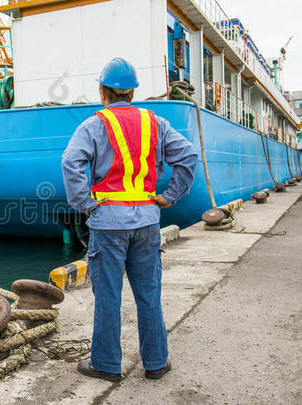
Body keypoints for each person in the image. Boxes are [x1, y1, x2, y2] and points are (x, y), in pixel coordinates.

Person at [61, 57, 198, 381]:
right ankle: (156, 363)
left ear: (102, 91)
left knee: (108, 297)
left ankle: (106, 365)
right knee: (148, 295)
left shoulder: (93, 125)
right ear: (132, 93)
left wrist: (85, 204)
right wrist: (170, 196)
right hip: (147, 223)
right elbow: (188, 156)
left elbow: (70, 162)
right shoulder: (156, 123)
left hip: (108, 224)